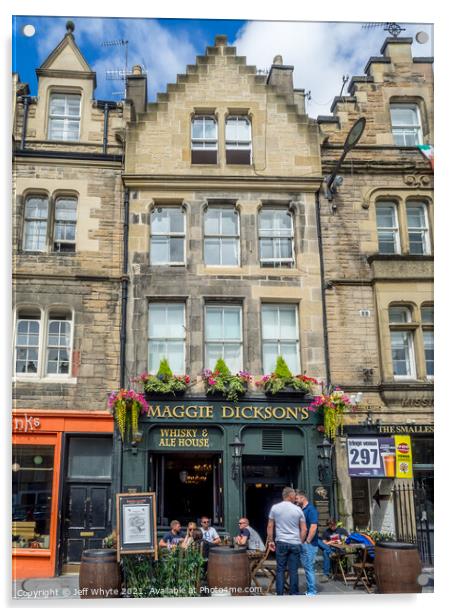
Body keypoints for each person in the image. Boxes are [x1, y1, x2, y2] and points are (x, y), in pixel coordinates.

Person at [267, 487, 307, 595]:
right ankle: (293, 594)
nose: (295, 497)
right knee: (293, 571)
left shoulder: (275, 508)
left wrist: (270, 541)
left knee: (280, 570)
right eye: (294, 495)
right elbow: (304, 529)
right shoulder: (298, 509)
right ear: (289, 495)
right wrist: (301, 541)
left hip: (281, 542)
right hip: (295, 543)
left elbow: (270, 526)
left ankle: (280, 594)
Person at [295, 490, 319, 596]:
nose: (295, 500)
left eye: (297, 498)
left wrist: (307, 541)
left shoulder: (311, 510)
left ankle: (312, 591)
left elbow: (313, 527)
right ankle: (310, 589)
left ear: (302, 498)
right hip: (305, 543)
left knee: (309, 568)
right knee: (307, 568)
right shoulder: (302, 509)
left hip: (309, 544)